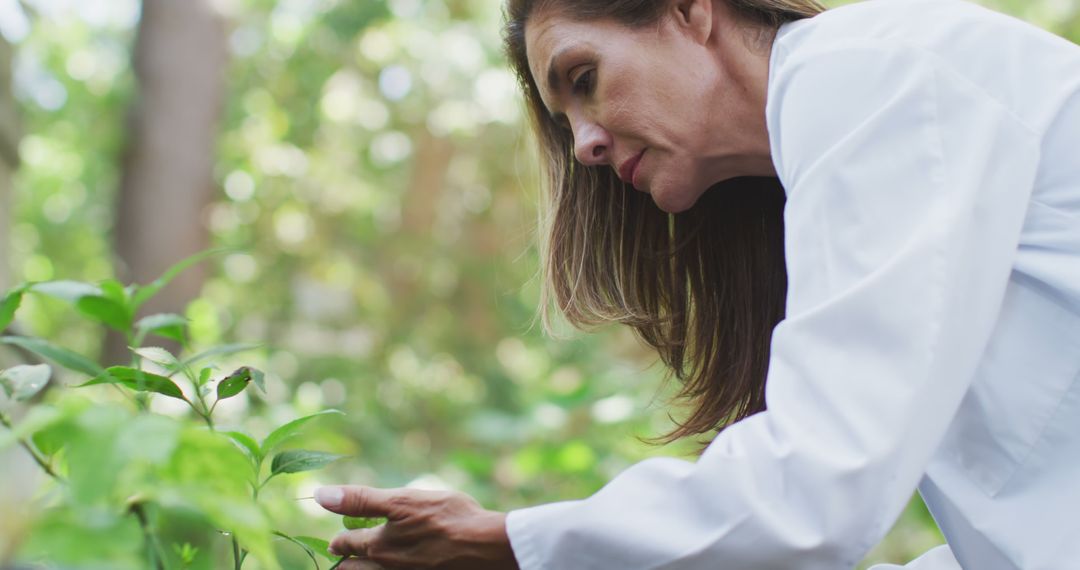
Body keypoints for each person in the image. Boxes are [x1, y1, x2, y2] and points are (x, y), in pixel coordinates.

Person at [313, 0, 1080, 567]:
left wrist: (512, 544)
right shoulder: (840, 137)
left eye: (584, 79)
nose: (583, 143)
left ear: (688, 10)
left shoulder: (867, 76)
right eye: (565, 118)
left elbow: (819, 493)